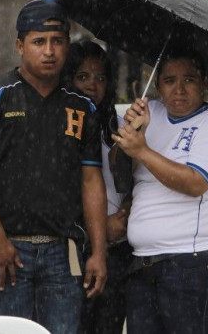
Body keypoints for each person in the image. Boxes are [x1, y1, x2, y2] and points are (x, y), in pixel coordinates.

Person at [0, 0, 107, 332]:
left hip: (63, 252)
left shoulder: (81, 106)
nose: (49, 50)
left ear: (67, 46)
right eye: (39, 42)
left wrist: (98, 252)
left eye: (57, 41)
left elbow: (91, 181)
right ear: (19, 45)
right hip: (6, 253)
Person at [112, 49, 208, 334]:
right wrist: (128, 137)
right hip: (143, 261)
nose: (179, 89)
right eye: (169, 80)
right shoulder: (150, 113)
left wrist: (142, 150)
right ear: (157, 85)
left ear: (204, 82)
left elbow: (194, 183)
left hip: (194, 261)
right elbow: (118, 173)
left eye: (189, 79)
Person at [63, 40, 132, 334]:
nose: (93, 85)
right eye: (82, 77)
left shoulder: (120, 127)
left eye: (100, 77)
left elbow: (138, 183)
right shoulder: (60, 125)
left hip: (117, 248)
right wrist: (97, 228)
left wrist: (124, 216)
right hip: (74, 249)